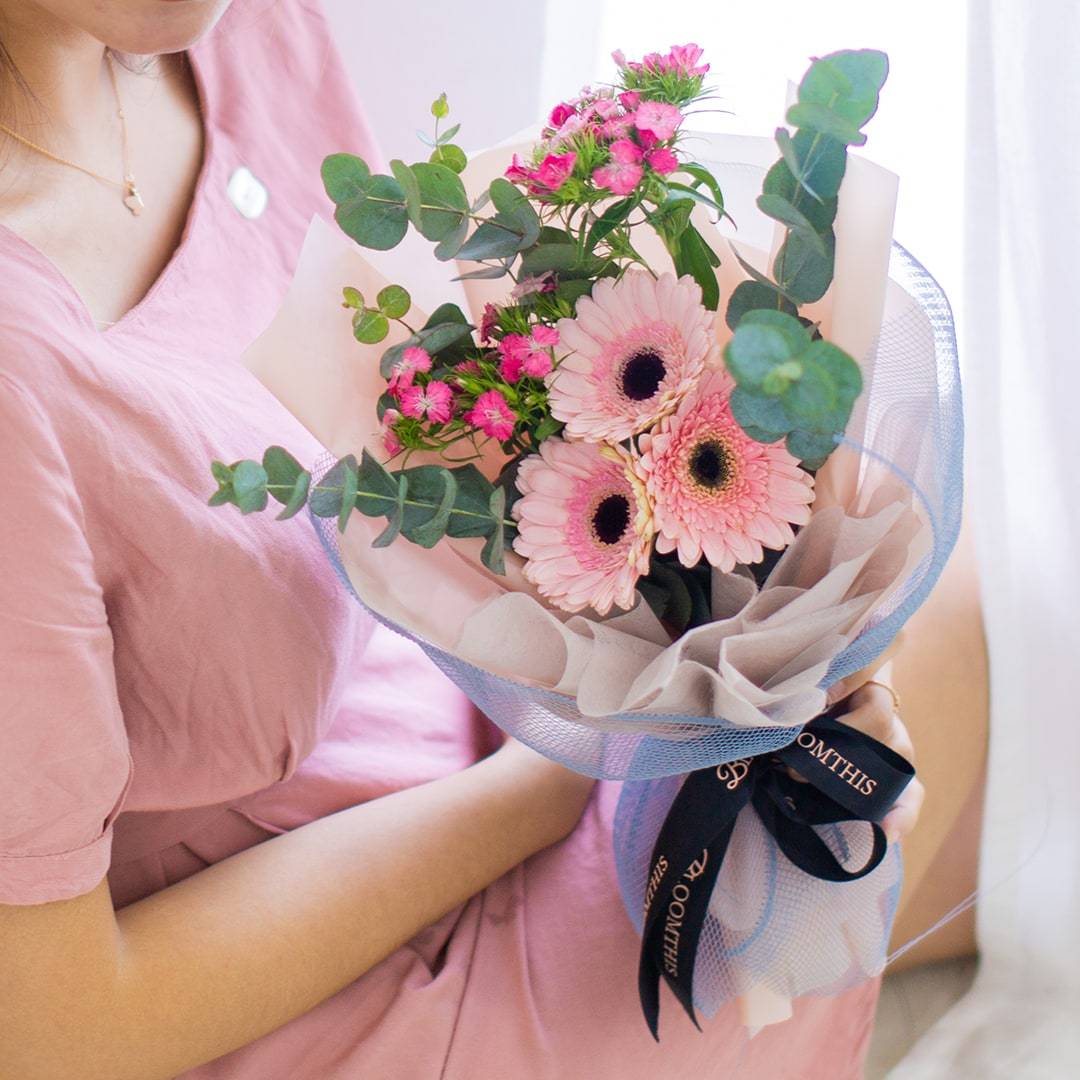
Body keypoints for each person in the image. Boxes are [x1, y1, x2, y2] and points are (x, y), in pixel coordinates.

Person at [0, 1, 926, 1077]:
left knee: (897, 677)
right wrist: (558, 778)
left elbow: (419, 437)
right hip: (256, 967)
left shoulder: (235, 31)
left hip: (447, 710)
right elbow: (56, 1029)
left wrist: (779, 644)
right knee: (795, 905)